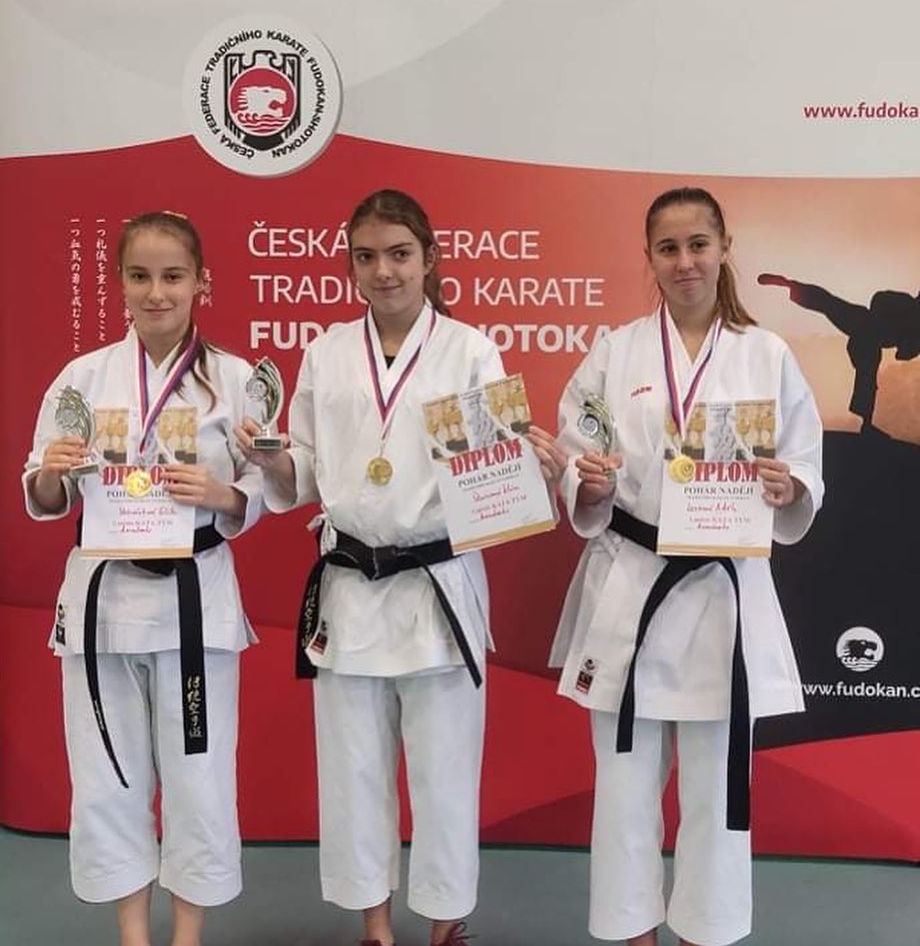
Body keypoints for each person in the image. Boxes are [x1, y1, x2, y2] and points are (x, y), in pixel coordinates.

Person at [236, 188, 563, 946]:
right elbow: (303, 475)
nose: (383, 271)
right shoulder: (326, 353)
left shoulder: (471, 352)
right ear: (351, 265)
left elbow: (492, 474)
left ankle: (446, 926)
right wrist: (273, 461)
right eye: (367, 257)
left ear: (430, 259)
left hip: (436, 584)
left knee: (445, 770)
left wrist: (529, 470)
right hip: (350, 586)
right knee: (353, 770)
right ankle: (375, 927)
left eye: (399, 254)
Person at [550, 187, 824, 946]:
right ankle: (634, 935)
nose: (685, 262)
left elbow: (804, 459)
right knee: (624, 786)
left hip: (722, 593)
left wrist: (790, 485)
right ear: (649, 257)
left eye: (698, 244)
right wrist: (585, 481)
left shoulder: (766, 354)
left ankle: (708, 933)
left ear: (725, 248)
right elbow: (576, 449)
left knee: (716, 790)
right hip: (633, 581)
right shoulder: (616, 352)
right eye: (668, 248)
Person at [23, 211, 264, 946]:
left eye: (173, 276)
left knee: (198, 776)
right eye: (140, 276)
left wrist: (224, 494)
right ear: (120, 284)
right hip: (103, 598)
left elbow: (265, 485)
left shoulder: (234, 381)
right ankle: (134, 935)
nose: (156, 292)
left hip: (196, 600)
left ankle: (187, 936)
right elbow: (44, 494)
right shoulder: (82, 379)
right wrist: (52, 473)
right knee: (108, 775)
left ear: (201, 283)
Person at [757, 271, 920, 433]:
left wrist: (903, 339)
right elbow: (879, 299)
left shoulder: (912, 319)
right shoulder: (907, 305)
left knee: (829, 305)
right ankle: (789, 284)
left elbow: (904, 352)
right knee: (829, 304)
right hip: (865, 326)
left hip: (866, 333)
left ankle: (866, 423)